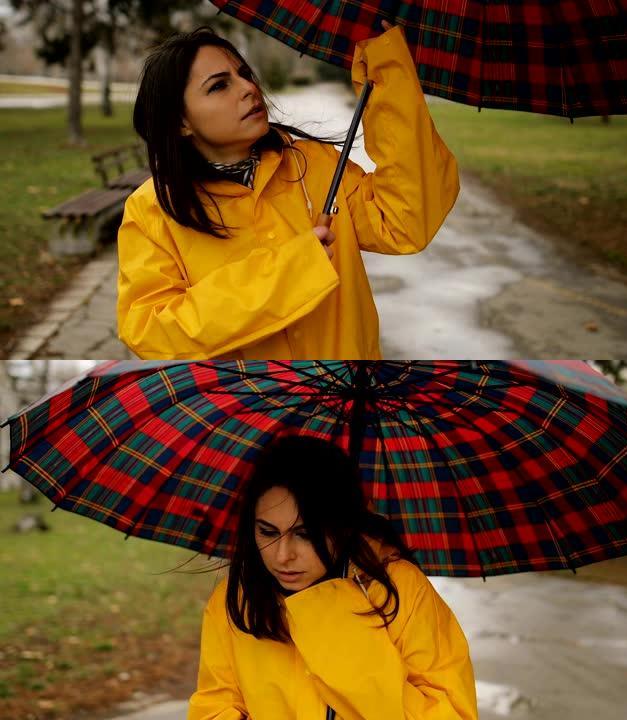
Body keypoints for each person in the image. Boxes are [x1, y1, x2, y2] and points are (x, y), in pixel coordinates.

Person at [119, 21, 458, 360]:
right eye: (219, 86)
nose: (249, 88)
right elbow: (152, 333)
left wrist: (390, 70)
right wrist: (290, 271)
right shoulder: (153, 210)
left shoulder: (315, 165)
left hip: (346, 397)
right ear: (181, 121)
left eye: (244, 74)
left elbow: (406, 219)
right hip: (251, 408)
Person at [188, 435, 477, 719]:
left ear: (343, 526)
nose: (282, 556)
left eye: (306, 535)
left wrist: (339, 633)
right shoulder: (237, 598)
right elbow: (215, 707)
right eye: (267, 531)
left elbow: (449, 711)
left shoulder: (399, 589)